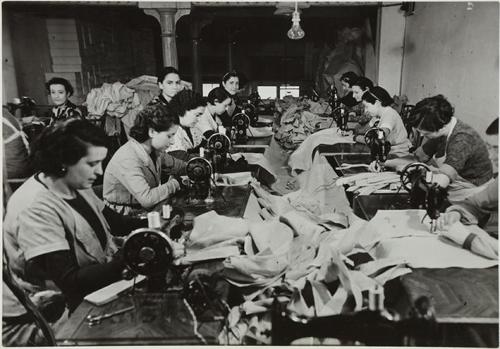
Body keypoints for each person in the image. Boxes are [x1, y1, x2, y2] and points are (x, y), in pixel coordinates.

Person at [14, 120, 145, 312]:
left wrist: (155, 222)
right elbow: (70, 281)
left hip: (97, 284)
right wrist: (130, 259)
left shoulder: (73, 180)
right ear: (64, 161)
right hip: (58, 308)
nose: (100, 171)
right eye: (92, 164)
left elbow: (116, 223)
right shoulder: (36, 207)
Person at [103, 104, 185, 215]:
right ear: (152, 132)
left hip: (141, 210)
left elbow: (180, 166)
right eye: (169, 136)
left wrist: (194, 166)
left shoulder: (154, 151)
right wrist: (176, 183)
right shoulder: (128, 158)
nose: (172, 142)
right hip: (123, 217)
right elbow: (147, 199)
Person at [408, 95, 493, 191]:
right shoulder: (440, 131)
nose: (423, 135)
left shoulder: (462, 138)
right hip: (456, 182)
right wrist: (389, 162)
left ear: (442, 127)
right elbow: (420, 156)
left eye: (426, 133)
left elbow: (445, 176)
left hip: (475, 189)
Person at [437, 118, 498, 233]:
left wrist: (469, 240)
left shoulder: (461, 138)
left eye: (497, 149)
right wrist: (457, 213)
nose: (491, 156)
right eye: (490, 147)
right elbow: (475, 204)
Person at [355, 86, 412, 161]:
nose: (366, 111)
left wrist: (357, 138)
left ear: (377, 103)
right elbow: (367, 130)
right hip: (389, 152)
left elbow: (380, 137)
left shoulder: (389, 114)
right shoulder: (378, 115)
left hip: (397, 155)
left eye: (367, 106)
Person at [166, 89, 207, 157]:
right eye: (197, 115)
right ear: (184, 109)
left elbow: (202, 143)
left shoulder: (190, 127)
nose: (199, 119)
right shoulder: (172, 130)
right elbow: (180, 158)